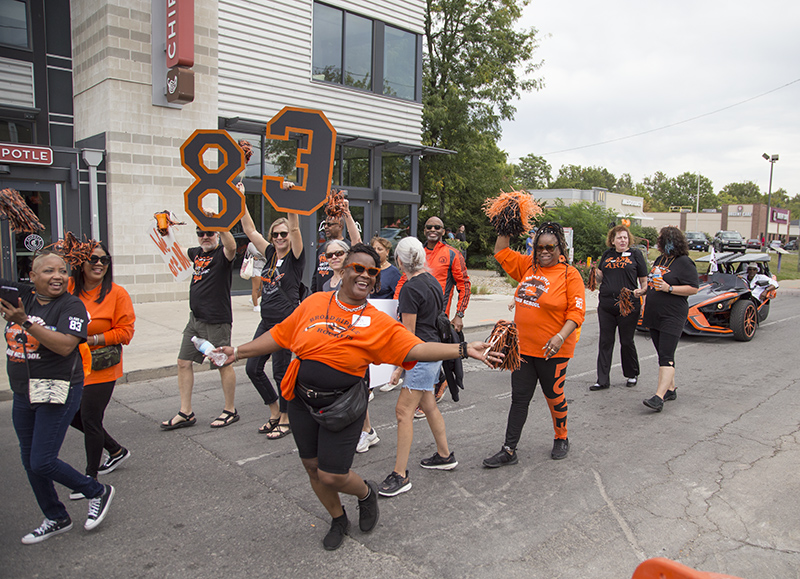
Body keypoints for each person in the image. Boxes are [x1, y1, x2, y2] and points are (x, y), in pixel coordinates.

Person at [215, 243, 498, 550]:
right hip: (300, 400)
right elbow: (281, 334)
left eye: (372, 272)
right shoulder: (314, 303)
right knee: (311, 467)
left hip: (343, 405)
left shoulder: (377, 321)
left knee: (332, 475)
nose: (365, 275)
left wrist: (463, 349)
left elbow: (415, 347)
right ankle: (338, 518)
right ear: (345, 270)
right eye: (358, 268)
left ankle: (365, 493)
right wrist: (238, 352)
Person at [3, 251, 115, 544]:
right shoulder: (22, 297)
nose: (58, 276)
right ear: (32, 277)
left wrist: (25, 322)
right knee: (29, 460)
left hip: (57, 388)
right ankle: (56, 516)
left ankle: (96, 491)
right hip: (23, 392)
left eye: (63, 271)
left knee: (42, 460)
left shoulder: (72, 305)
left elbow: (66, 346)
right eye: (49, 271)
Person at [483, 221, 585, 467]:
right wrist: (505, 223)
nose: (545, 251)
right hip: (523, 349)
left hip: (554, 350)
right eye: (539, 247)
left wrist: (560, 336)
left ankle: (561, 437)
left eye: (550, 247)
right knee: (519, 398)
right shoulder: (528, 267)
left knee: (554, 395)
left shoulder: (569, 274)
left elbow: (576, 313)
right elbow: (501, 251)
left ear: (560, 247)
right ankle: (509, 449)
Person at [378, 237, 457, 497]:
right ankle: (445, 455)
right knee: (429, 404)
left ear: (400, 261)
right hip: (432, 351)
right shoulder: (432, 280)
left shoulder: (411, 288)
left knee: (403, 412)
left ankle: (400, 475)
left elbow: (408, 335)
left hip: (422, 354)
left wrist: (398, 368)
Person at [68, 243, 135, 496]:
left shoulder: (117, 294)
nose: (99, 264)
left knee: (90, 419)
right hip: (72, 365)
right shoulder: (70, 289)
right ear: (80, 264)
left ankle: (90, 480)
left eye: (104, 260)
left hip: (101, 366)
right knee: (71, 415)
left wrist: (92, 339)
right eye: (93, 259)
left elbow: (126, 332)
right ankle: (116, 450)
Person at [161, 226, 238, 430]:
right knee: (183, 362)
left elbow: (231, 246)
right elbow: (175, 250)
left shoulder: (222, 254)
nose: (205, 237)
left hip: (217, 320)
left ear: (217, 235)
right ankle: (186, 412)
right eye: (200, 233)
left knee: (222, 364)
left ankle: (230, 409)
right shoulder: (196, 253)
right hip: (195, 319)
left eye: (209, 233)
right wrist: (166, 231)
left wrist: (220, 225)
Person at [240, 203, 305, 439]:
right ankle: (275, 412)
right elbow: (249, 229)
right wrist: (241, 198)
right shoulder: (269, 255)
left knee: (281, 372)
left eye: (283, 234)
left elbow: (296, 228)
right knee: (252, 368)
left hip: (285, 324)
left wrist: (290, 202)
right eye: (275, 234)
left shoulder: (295, 258)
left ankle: (287, 419)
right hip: (265, 321)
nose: (279, 238)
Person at [633, 226, 699, 413]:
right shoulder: (662, 259)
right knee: (662, 353)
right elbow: (655, 282)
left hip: (673, 314)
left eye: (660, 239)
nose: (657, 242)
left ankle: (658, 397)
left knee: (667, 356)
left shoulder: (685, 262)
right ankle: (670, 389)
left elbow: (693, 288)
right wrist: (644, 291)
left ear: (670, 241)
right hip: (655, 314)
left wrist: (670, 289)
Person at [590, 225, 648, 391]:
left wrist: (642, 291)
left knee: (627, 340)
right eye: (619, 238)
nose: (622, 240)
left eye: (625, 237)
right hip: (607, 304)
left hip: (627, 304)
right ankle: (602, 380)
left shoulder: (636, 255)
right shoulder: (608, 254)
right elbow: (600, 277)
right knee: (605, 341)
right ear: (613, 240)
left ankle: (631, 373)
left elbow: (644, 281)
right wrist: (594, 272)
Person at [395, 216, 470, 334]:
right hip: (413, 313)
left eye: (437, 227)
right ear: (424, 231)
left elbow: (464, 285)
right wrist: (395, 306)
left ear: (443, 231)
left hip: (439, 318)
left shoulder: (453, 254)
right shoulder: (416, 252)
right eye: (429, 227)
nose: (433, 229)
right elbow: (404, 280)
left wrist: (459, 315)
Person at [311, 198, 361, 292]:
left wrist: (347, 213)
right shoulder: (322, 247)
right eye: (329, 255)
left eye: (339, 253)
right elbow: (315, 275)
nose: (333, 257)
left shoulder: (349, 246)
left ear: (340, 226)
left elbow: (357, 241)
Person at [246, 242, 267, 312]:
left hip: (263, 268)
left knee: (264, 288)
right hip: (255, 268)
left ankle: (253, 299)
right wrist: (264, 255)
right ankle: (256, 306)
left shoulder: (262, 244)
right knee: (256, 288)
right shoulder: (251, 244)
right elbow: (256, 253)